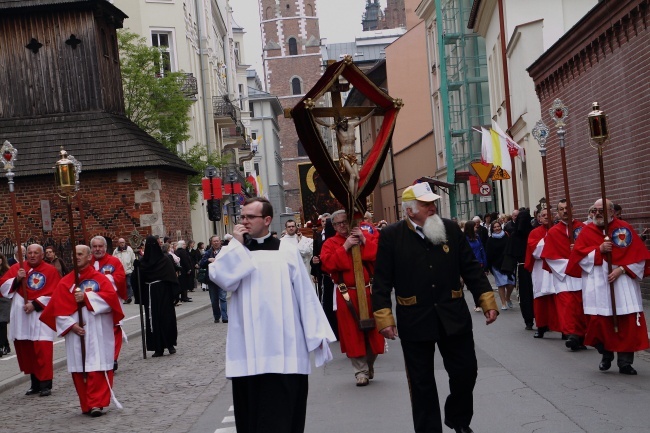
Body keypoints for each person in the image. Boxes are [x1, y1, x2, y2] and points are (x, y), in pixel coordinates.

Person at [372, 183, 498, 433]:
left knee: (466, 372)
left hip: (453, 316)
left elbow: (470, 267)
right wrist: (385, 318)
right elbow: (382, 281)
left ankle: (458, 419)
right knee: (421, 384)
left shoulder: (450, 229)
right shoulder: (391, 236)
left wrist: (486, 300)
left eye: (433, 203)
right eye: (426, 204)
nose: (432, 208)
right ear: (410, 211)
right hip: (415, 319)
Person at [208, 197, 336, 433]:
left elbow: (305, 295)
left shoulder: (286, 251)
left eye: (250, 217)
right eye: (242, 217)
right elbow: (221, 277)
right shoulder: (236, 251)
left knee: (282, 416)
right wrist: (236, 244)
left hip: (284, 346)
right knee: (252, 416)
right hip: (248, 348)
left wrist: (316, 334)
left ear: (267, 220)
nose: (243, 222)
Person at [567, 199, 650, 374]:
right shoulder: (587, 231)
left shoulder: (624, 228)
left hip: (622, 283)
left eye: (601, 210)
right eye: (594, 210)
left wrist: (622, 269)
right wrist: (599, 250)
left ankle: (625, 363)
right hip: (597, 283)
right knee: (598, 324)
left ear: (612, 211)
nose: (597, 213)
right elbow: (578, 258)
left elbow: (639, 256)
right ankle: (606, 354)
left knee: (626, 323)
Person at [40, 245, 123, 417]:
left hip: (98, 329)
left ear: (89, 256)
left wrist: (86, 298)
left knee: (97, 367)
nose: (76, 257)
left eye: (80, 254)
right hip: (76, 332)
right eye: (74, 254)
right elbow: (56, 308)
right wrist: (70, 325)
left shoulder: (100, 279)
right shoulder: (67, 281)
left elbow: (111, 301)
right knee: (81, 369)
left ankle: (97, 404)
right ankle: (86, 404)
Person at [320, 209, 385, 387]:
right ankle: (360, 371)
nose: (342, 226)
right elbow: (328, 264)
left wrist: (364, 240)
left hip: (368, 290)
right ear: (333, 226)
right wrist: (345, 247)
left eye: (345, 222)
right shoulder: (330, 243)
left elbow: (378, 255)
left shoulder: (364, 236)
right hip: (346, 293)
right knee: (352, 333)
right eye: (338, 223)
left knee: (374, 331)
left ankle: (369, 364)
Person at [0, 244, 60, 396]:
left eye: (36, 253)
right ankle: (35, 383)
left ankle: (45, 383)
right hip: (22, 317)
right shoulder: (17, 268)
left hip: (40, 317)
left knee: (42, 349)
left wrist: (35, 304)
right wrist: (17, 279)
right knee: (28, 350)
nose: (32, 255)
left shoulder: (50, 270)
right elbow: (3, 287)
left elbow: (55, 293)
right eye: (30, 253)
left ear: (42, 255)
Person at [541, 199, 587, 350]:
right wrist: (569, 266)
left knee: (581, 308)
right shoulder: (553, 232)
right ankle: (572, 335)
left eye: (567, 208)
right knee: (567, 307)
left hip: (582, 274)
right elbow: (549, 256)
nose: (565, 211)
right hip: (564, 277)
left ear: (573, 209)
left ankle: (581, 336)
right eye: (561, 209)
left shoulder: (583, 228)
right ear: (558, 212)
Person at [133, 236, 178, 357]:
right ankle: (158, 347)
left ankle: (169, 344)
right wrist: (136, 269)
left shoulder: (164, 260)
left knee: (166, 318)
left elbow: (171, 277)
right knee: (153, 320)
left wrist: (174, 294)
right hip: (150, 294)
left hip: (164, 293)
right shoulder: (143, 262)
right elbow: (137, 280)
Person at [314, 111, 374, 199]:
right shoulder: (337, 129)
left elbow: (362, 120)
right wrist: (313, 118)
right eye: (342, 124)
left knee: (357, 177)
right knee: (352, 175)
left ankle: (355, 197)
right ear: (340, 124)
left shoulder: (351, 126)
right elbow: (324, 123)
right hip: (345, 155)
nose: (344, 125)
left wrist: (372, 112)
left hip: (353, 155)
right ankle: (351, 198)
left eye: (345, 123)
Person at [90, 235, 126, 371]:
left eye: (100, 246)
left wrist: (104, 279)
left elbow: (120, 278)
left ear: (105, 247)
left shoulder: (114, 262)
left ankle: (113, 358)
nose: (97, 249)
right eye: (95, 246)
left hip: (111, 301)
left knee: (114, 329)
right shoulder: (88, 262)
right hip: (93, 302)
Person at [524, 208, 559, 338]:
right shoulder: (534, 233)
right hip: (540, 269)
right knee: (541, 298)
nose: (545, 217)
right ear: (538, 218)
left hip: (557, 268)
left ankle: (563, 328)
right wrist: (549, 238)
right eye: (542, 215)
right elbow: (536, 251)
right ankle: (541, 326)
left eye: (547, 215)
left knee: (558, 297)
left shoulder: (558, 230)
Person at [503, 208, 535, 330]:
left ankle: (537, 319)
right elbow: (510, 254)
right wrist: (508, 270)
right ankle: (528, 319)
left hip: (534, 268)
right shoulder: (514, 236)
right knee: (525, 295)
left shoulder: (533, 234)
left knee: (535, 294)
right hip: (522, 269)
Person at [486, 220, 515, 310]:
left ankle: (508, 297)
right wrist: (488, 266)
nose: (497, 228)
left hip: (508, 263)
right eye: (495, 227)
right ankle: (503, 303)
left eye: (498, 226)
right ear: (492, 229)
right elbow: (488, 253)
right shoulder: (490, 239)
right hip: (496, 265)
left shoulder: (506, 236)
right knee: (501, 284)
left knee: (511, 283)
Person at [199, 235, 228, 323]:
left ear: (220, 242)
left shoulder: (225, 251)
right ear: (211, 243)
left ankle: (225, 317)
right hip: (212, 279)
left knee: (223, 298)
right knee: (214, 300)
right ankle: (216, 316)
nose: (216, 243)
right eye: (214, 241)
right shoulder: (208, 253)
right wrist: (208, 260)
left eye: (217, 241)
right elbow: (201, 264)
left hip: (222, 278)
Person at [112, 238, 136, 304]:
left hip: (128, 270)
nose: (122, 244)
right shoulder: (116, 251)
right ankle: (125, 297)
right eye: (120, 242)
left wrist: (132, 268)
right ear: (118, 243)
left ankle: (129, 297)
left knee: (128, 284)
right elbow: (113, 260)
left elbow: (132, 259)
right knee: (122, 285)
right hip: (120, 271)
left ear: (125, 242)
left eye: (123, 242)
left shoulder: (129, 250)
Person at [0, 253, 10, 356]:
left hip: (5, 299)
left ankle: (1, 346)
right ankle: (6, 344)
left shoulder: (6, 270)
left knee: (2, 322)